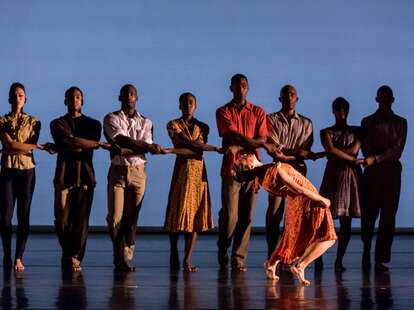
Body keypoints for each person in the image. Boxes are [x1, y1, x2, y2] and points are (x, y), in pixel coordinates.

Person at [234, 154, 336, 286]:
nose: (243, 155)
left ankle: (271, 264)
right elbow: (298, 189)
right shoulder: (272, 171)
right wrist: (321, 199)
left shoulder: (263, 176)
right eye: (242, 159)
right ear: (250, 166)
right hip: (308, 201)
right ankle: (300, 266)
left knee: (291, 237)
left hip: (295, 204)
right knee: (328, 237)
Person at [103, 84, 164, 271]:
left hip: (138, 172)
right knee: (115, 218)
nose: (129, 96)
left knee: (131, 217)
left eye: (132, 94)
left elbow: (140, 145)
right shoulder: (111, 118)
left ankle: (124, 257)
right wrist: (144, 147)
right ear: (119, 97)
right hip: (118, 170)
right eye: (125, 94)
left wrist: (130, 149)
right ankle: (120, 256)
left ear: (137, 98)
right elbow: (120, 140)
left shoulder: (147, 122)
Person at [215, 73, 267, 272]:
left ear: (248, 88)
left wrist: (240, 145)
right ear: (231, 88)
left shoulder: (258, 111)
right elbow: (232, 134)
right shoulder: (223, 111)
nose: (240, 89)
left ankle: (238, 259)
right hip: (232, 168)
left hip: (253, 170)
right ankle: (223, 246)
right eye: (237, 86)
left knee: (247, 217)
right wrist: (252, 142)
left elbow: (263, 140)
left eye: (244, 85)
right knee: (230, 216)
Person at [50, 86, 105, 271]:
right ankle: (69, 253)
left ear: (82, 101)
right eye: (71, 97)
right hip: (64, 175)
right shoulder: (57, 123)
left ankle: (75, 257)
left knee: (81, 221)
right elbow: (70, 142)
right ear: (65, 100)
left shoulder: (94, 124)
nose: (74, 99)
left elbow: (78, 146)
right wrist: (90, 143)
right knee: (61, 219)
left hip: (85, 176)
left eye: (78, 97)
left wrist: (75, 143)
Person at [164, 92, 220, 272]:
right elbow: (192, 146)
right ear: (179, 105)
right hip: (181, 171)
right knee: (176, 213)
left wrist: (176, 150)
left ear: (195, 106)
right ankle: (173, 251)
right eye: (184, 103)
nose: (188, 105)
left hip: (198, 174)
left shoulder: (203, 127)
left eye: (191, 103)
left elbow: (195, 149)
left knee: (194, 216)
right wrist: (212, 149)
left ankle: (187, 259)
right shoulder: (173, 124)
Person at [264, 85, 317, 260]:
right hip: (278, 170)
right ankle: (272, 252)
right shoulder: (270, 119)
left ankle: (289, 253)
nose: (288, 97)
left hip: (299, 171)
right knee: (274, 213)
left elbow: (305, 149)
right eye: (285, 95)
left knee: (295, 214)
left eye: (292, 94)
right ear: (280, 99)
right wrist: (296, 153)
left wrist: (288, 152)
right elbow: (275, 147)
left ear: (297, 98)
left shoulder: (306, 123)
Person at [360, 85, 407, 272]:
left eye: (388, 98)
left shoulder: (401, 122)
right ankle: (366, 249)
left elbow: (398, 149)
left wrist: (377, 158)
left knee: (388, 216)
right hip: (373, 172)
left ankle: (380, 259)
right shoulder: (367, 121)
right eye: (382, 97)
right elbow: (366, 146)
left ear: (392, 100)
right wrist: (374, 159)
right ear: (377, 99)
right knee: (369, 214)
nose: (385, 101)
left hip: (391, 172)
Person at [0, 82, 44, 271]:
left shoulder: (35, 122)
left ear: (25, 99)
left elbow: (15, 146)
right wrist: (35, 147)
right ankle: (8, 254)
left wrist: (14, 147)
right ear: (9, 98)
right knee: (5, 217)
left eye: (21, 95)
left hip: (27, 171)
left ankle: (19, 257)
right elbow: (10, 145)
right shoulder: (1, 121)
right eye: (15, 95)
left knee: (23, 216)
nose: (18, 98)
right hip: (8, 170)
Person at [319, 97, 363, 271]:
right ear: (333, 110)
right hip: (333, 176)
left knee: (346, 222)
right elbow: (336, 152)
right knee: (324, 219)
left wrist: (335, 153)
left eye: (344, 108)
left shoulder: (357, 131)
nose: (341, 111)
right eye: (338, 108)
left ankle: (339, 261)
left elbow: (353, 150)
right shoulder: (326, 132)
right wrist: (350, 159)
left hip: (350, 178)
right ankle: (318, 257)